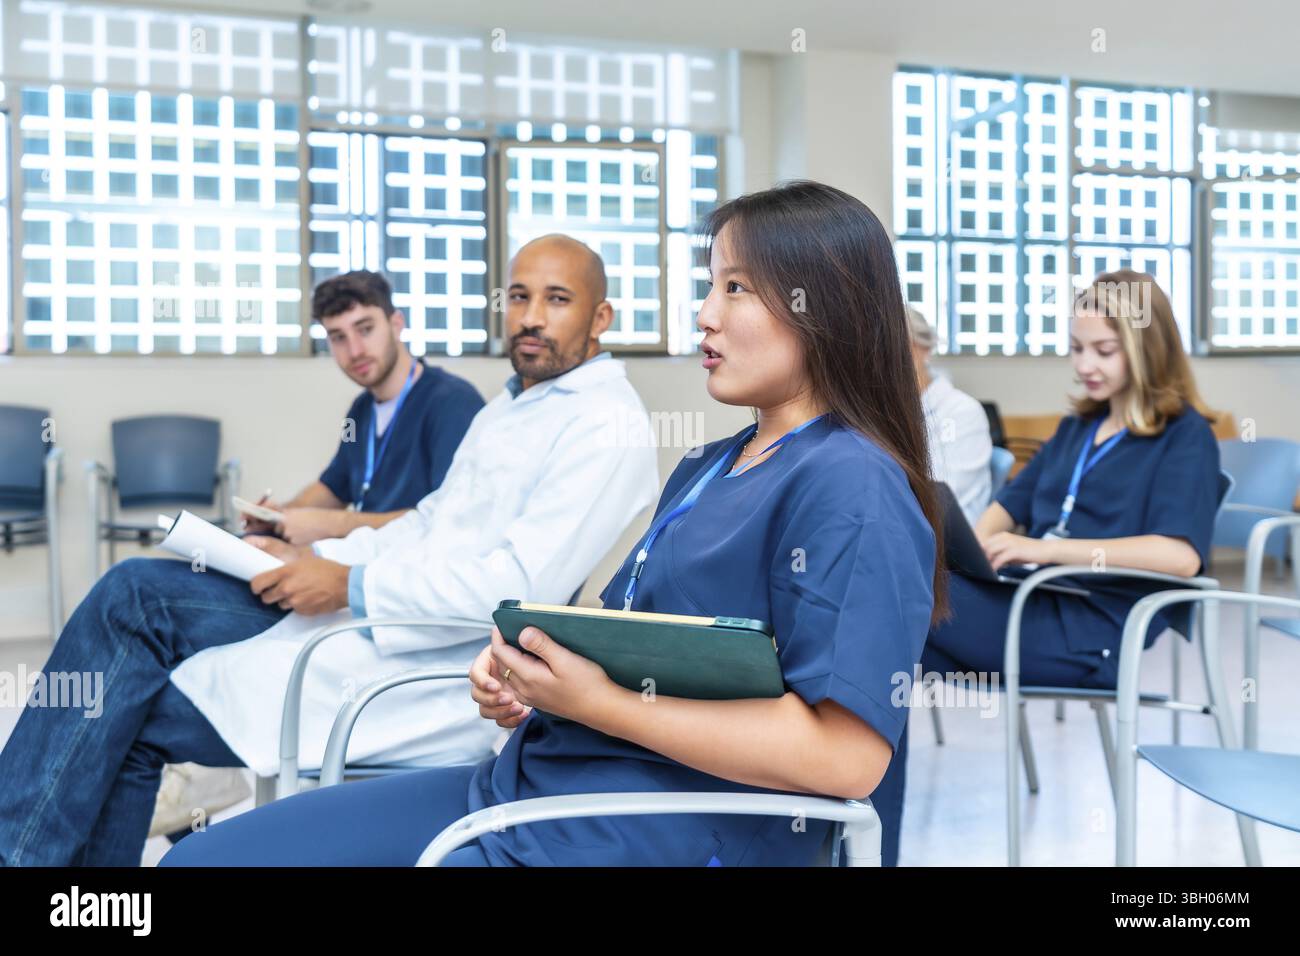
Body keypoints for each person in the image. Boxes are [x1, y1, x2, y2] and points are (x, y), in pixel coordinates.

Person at [161, 180, 944, 868]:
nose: (703, 315)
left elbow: (848, 759)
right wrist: (533, 679)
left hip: (651, 825)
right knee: (201, 859)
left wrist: (598, 703)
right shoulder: (711, 463)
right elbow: (640, 643)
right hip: (543, 777)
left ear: (824, 306)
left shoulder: (852, 485)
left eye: (735, 288)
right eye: (711, 286)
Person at [0, 235, 658, 866]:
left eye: (557, 299)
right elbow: (427, 522)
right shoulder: (508, 408)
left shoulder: (604, 423)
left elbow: (515, 590)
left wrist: (347, 583)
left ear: (601, 316)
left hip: (433, 657)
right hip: (364, 601)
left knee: (134, 669)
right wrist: (318, 559)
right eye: (518, 297)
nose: (531, 317)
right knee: (132, 609)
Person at [922, 270, 1220, 690]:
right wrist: (976, 551)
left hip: (1096, 627)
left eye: (1104, 351)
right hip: (1033, 597)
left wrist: (1045, 551)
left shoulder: (1186, 436)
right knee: (891, 645)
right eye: (1077, 348)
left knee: (900, 606)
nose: (1084, 365)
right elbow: (1011, 503)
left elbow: (1180, 556)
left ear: (1148, 350)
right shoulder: (1079, 426)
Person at [240, 270, 484, 546]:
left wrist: (335, 525)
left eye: (365, 329)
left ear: (396, 324)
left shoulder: (453, 404)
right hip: (363, 561)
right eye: (338, 337)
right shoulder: (360, 410)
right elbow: (333, 487)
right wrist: (280, 516)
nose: (354, 351)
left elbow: (450, 518)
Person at [907, 306, 993, 525]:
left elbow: (938, 506)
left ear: (924, 349)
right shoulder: (881, 412)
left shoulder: (961, 413)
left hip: (946, 546)